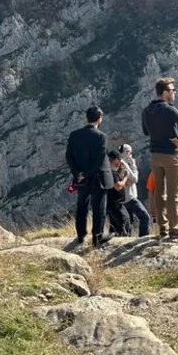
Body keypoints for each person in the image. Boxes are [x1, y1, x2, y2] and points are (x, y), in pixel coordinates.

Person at [141, 77, 178, 239]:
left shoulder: (146, 111)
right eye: (172, 90)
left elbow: (145, 132)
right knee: (173, 193)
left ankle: (163, 227)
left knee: (159, 191)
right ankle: (174, 227)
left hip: (155, 154)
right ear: (164, 93)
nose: (174, 93)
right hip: (171, 155)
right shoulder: (169, 109)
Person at [65, 106, 114, 248]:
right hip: (98, 177)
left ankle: (81, 234)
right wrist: (86, 173)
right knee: (99, 207)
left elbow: (69, 156)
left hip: (81, 178)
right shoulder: (101, 136)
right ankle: (97, 237)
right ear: (99, 119)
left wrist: (77, 173)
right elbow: (99, 160)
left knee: (82, 205)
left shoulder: (74, 135)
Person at [118, 144, 151, 237]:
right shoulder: (123, 164)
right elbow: (135, 179)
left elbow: (131, 180)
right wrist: (133, 166)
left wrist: (130, 180)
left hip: (124, 197)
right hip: (129, 197)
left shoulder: (119, 163)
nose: (130, 154)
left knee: (129, 221)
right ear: (123, 152)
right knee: (145, 217)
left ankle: (126, 240)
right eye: (128, 152)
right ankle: (143, 239)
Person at [106, 151, 131, 237]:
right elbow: (118, 186)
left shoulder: (112, 172)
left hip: (113, 203)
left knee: (114, 225)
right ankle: (124, 240)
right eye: (119, 160)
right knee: (125, 220)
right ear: (116, 159)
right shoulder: (110, 172)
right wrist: (126, 177)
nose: (120, 162)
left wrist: (120, 171)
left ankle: (113, 240)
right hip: (115, 204)